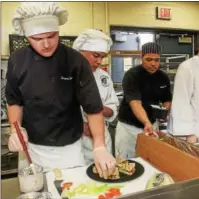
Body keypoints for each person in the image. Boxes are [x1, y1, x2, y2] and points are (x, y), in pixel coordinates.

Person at [6, 2, 115, 179]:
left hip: (69, 149)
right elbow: (14, 101)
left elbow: (93, 108)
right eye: (37, 39)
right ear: (27, 36)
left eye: (51, 36)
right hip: (31, 148)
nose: (46, 44)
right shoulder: (17, 61)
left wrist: (99, 146)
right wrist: (15, 129)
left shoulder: (75, 61)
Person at [115, 42, 172, 158]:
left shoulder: (163, 77)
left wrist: (164, 113)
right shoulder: (132, 75)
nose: (153, 63)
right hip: (129, 128)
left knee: (149, 160)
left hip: (151, 127)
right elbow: (135, 103)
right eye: (149, 59)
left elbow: (167, 99)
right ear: (141, 58)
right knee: (126, 162)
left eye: (157, 60)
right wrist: (146, 122)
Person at [72, 29, 119, 165]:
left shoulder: (104, 77)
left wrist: (99, 110)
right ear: (81, 52)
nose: (99, 61)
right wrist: (79, 125)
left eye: (102, 57)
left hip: (102, 137)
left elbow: (112, 106)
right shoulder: (67, 75)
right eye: (96, 55)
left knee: (105, 175)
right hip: (76, 140)